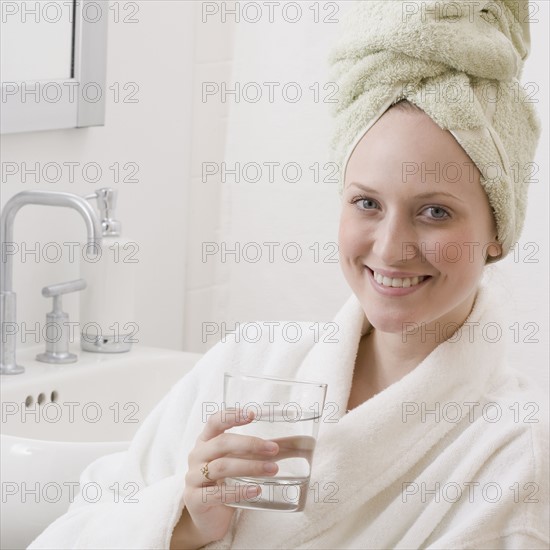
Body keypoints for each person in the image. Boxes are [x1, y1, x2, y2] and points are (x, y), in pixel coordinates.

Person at [29, 1, 548, 549]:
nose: (391, 247)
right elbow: (72, 531)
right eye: (367, 203)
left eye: (435, 211)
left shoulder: (513, 453)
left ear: (498, 230)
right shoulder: (250, 362)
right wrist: (184, 523)